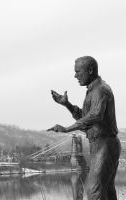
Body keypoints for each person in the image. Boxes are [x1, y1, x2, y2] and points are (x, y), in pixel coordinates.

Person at [47, 56, 121, 200]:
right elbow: (85, 117)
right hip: (99, 144)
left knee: (94, 191)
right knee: (106, 191)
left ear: (90, 70)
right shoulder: (93, 90)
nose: (75, 76)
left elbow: (95, 116)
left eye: (78, 72)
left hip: (105, 144)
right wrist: (66, 104)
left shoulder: (100, 90)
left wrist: (67, 129)